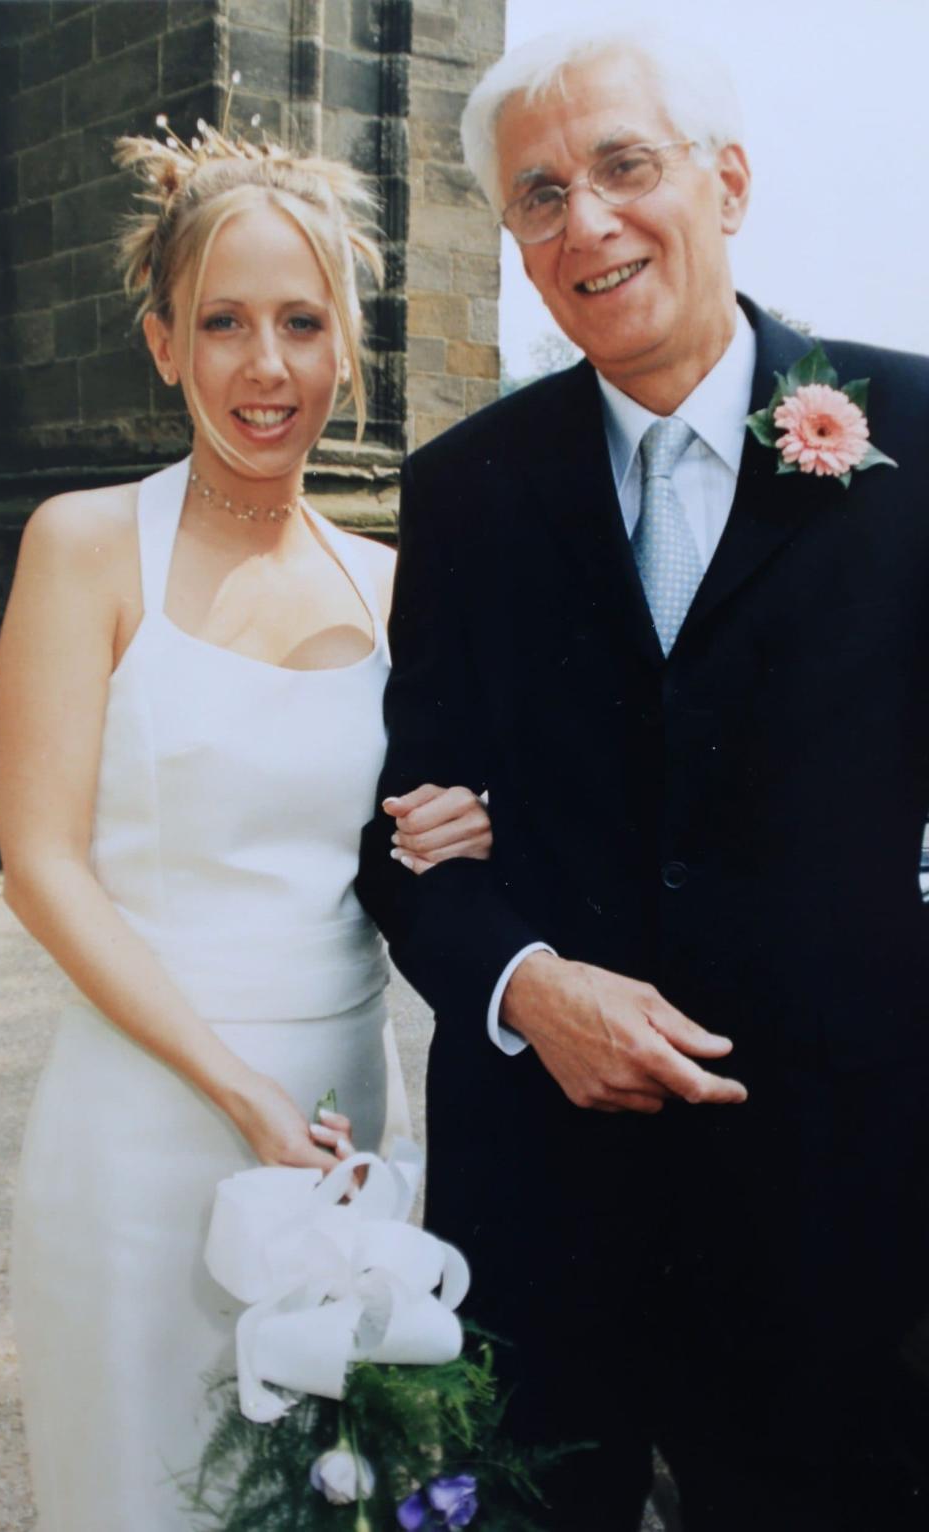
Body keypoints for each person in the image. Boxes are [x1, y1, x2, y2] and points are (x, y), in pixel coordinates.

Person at [357, 26, 929, 1532]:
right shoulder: (464, 489)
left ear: (727, 183)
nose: (586, 223)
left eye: (624, 167)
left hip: (839, 1218)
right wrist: (527, 978)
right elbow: (405, 840)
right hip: (548, 1218)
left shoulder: (918, 435)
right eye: (539, 195)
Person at [0, 121, 493, 1532]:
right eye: (222, 323)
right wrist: (232, 1092)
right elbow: (40, 866)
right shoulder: (83, 547)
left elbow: (413, 840)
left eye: (300, 323)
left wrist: (454, 827)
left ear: (347, 351)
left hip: (341, 1119)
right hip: (143, 1129)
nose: (264, 367)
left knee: (318, 1502)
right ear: (162, 343)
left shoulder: (401, 584)